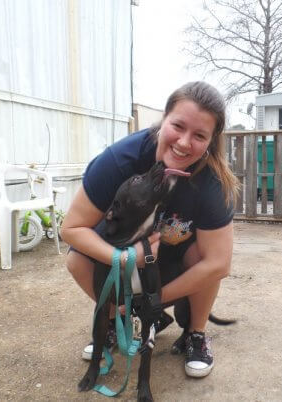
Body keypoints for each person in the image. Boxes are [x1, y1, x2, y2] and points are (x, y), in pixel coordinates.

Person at [61, 81, 238, 378]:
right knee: (77, 258)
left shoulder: (212, 182)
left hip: (177, 263)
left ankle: (195, 333)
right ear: (163, 118)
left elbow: (219, 263)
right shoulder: (121, 160)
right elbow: (72, 228)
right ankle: (116, 322)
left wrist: (151, 305)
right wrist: (126, 259)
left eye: (199, 136)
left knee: (204, 258)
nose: (183, 142)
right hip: (130, 258)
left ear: (211, 140)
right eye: (178, 126)